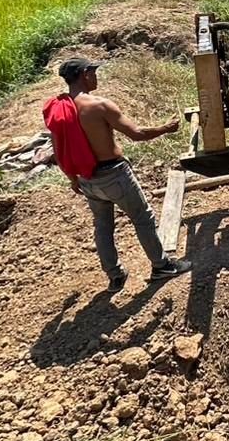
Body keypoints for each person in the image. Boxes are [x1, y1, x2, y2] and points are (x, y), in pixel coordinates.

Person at [42, 57, 191, 289]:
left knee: (103, 226)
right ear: (85, 74)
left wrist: (73, 179)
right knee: (142, 218)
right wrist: (165, 128)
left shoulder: (59, 110)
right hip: (114, 175)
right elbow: (137, 134)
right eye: (94, 72)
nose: (96, 76)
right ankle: (161, 266)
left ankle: (115, 276)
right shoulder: (99, 105)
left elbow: (59, 150)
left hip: (87, 179)